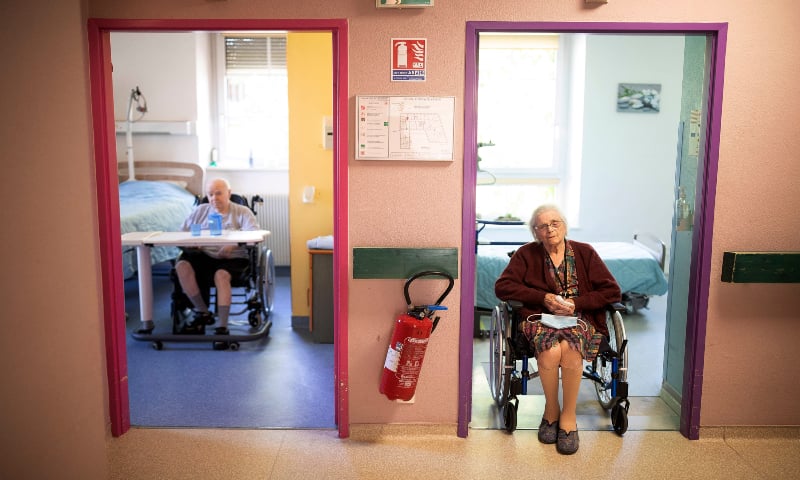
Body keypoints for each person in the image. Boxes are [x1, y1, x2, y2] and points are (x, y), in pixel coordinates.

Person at [494, 204, 621, 455]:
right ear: (535, 232)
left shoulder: (585, 252)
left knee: (571, 351)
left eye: (555, 223)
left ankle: (568, 419)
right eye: (542, 226)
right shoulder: (525, 254)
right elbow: (504, 287)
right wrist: (544, 298)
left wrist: (577, 303)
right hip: (540, 318)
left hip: (579, 318)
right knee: (551, 352)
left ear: (564, 225)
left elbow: (611, 291)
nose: (549, 230)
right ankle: (550, 412)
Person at [136, 178, 258, 336]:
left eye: (218, 193)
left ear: (229, 193)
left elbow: (254, 235)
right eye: (210, 194)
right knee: (182, 266)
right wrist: (191, 244)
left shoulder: (242, 212)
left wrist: (233, 244)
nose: (214, 198)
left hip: (233, 258)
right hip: (205, 255)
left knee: (221, 275)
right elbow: (182, 234)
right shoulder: (201, 210)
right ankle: (203, 312)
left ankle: (222, 327)